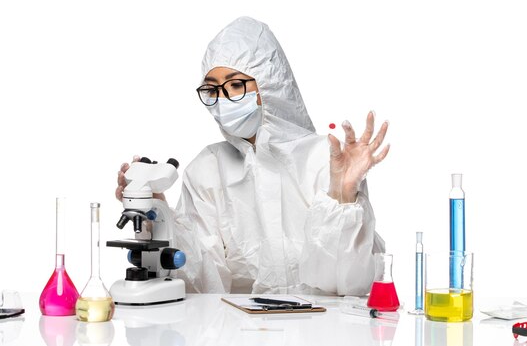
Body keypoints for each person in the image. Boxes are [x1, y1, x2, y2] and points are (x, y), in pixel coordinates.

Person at [116, 16, 390, 295]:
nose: (222, 100)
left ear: (269, 86)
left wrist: (344, 195)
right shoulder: (208, 168)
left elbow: (352, 283)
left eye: (235, 85)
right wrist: (159, 218)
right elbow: (201, 282)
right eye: (212, 89)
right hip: (239, 331)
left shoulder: (327, 160)